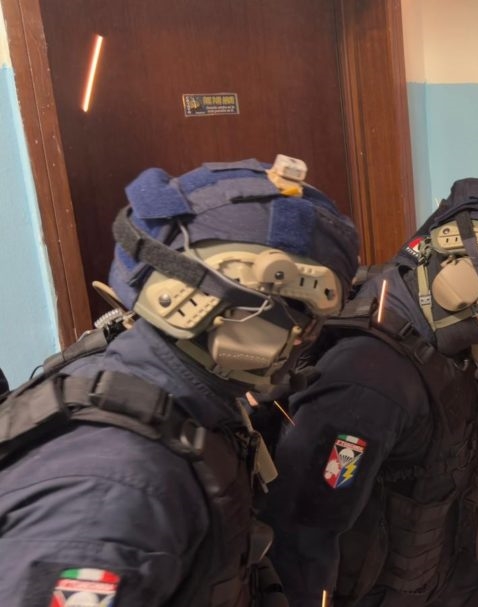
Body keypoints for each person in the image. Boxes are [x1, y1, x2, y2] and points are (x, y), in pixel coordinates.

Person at [0, 155, 360, 606]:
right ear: (207, 305)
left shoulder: (191, 400)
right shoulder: (115, 494)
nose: (305, 338)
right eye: (302, 315)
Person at [261, 180, 478, 607]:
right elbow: (304, 532)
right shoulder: (369, 384)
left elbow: (464, 196)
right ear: (464, 290)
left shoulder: (421, 309)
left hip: (458, 572)